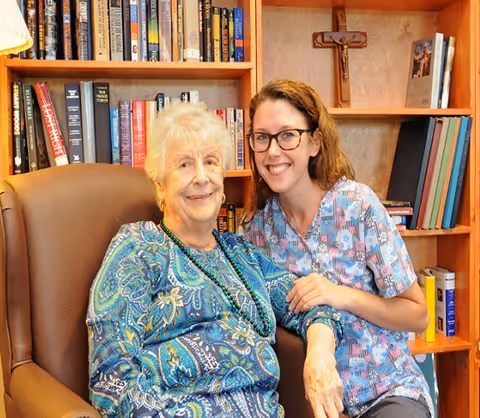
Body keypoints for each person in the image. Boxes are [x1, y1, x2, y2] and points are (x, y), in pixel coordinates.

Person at [86, 102, 345, 418]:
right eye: (183, 165)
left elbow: (315, 305)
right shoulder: (140, 248)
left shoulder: (242, 254)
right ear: (159, 186)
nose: (200, 177)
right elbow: (112, 383)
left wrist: (320, 354)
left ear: (222, 183)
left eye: (210, 162)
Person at [241, 79, 433, 418]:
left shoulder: (357, 206)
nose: (272, 151)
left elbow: (417, 315)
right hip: (312, 403)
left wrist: (339, 294)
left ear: (314, 142)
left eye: (287, 135)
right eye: (262, 138)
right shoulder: (257, 229)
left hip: (388, 392)